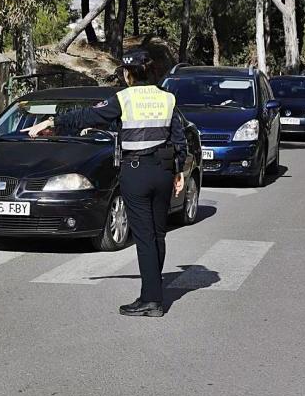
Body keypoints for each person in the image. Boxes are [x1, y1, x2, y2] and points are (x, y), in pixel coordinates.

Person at [26, 48, 187, 318]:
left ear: (128, 74)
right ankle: (154, 290)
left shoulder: (123, 98)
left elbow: (89, 116)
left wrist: (53, 121)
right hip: (163, 170)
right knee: (158, 235)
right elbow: (178, 137)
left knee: (144, 237)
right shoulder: (168, 98)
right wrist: (179, 172)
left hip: (136, 170)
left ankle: (151, 300)